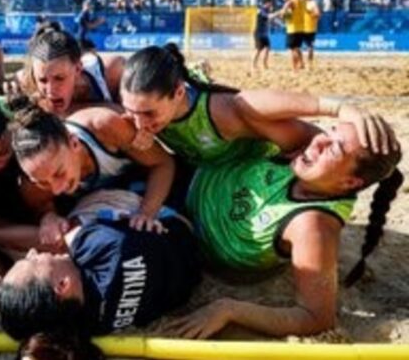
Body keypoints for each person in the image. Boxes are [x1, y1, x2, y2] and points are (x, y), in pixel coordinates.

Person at [167, 121, 403, 338]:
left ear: (349, 183)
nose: (318, 141)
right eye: (330, 131)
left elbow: (316, 318)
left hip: (180, 235)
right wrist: (337, 109)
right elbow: (243, 107)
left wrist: (228, 310)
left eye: (334, 148)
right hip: (176, 175)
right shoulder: (303, 152)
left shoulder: (313, 227)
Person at [119, 44, 397, 168]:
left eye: (148, 113)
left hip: (270, 166)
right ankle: (199, 71)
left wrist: (345, 111)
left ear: (178, 93)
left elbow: (311, 127)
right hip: (210, 173)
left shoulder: (227, 110)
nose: (138, 122)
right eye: (130, 110)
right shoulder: (139, 108)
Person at [0, 189, 201, 339]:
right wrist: (49, 216)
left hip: (186, 281)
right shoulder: (102, 245)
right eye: (33, 262)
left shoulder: (81, 327)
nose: (33, 253)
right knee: (68, 224)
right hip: (179, 227)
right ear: (62, 285)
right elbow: (54, 239)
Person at [10, 103, 175, 249]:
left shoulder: (104, 127)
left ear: (74, 143)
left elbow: (163, 164)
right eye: (43, 183)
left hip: (144, 189)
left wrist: (147, 212)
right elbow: (42, 205)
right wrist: (48, 217)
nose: (57, 189)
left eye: (59, 173)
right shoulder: (31, 184)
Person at [15, 23, 125, 117]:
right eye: (43, 80)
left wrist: (65, 111)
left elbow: (129, 117)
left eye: (59, 78)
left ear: (78, 69)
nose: (51, 90)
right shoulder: (27, 82)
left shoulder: (112, 71)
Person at [253, 0, 282, 70]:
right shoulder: (260, 10)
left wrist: (280, 23)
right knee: (258, 50)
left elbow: (272, 19)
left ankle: (264, 64)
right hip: (259, 32)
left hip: (265, 33)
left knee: (267, 48)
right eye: (270, 2)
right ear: (267, 2)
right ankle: (254, 65)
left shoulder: (267, 10)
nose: (271, 4)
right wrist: (278, 12)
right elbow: (269, 17)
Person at [281, 0, 306, 70]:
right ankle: (302, 63)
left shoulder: (292, 1)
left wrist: (283, 13)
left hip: (293, 28)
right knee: (297, 48)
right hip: (301, 28)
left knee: (293, 50)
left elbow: (286, 9)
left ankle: (294, 68)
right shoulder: (302, 1)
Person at [300, 0, 320, 68]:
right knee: (297, 47)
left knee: (310, 47)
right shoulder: (300, 2)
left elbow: (317, 14)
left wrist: (308, 12)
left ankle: (309, 63)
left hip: (310, 28)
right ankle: (301, 63)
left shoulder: (312, 3)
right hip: (300, 27)